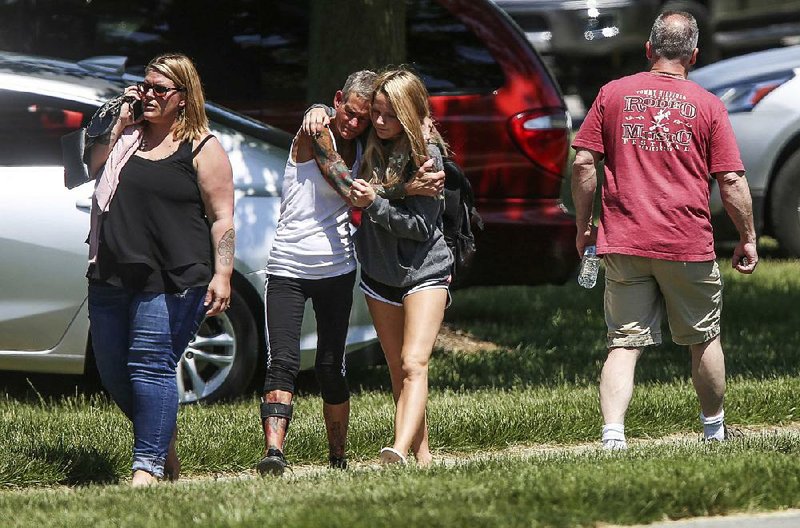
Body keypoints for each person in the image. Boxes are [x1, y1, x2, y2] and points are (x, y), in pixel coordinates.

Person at [571, 12, 758, 450]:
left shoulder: (612, 94)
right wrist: (747, 236)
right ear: (694, 55)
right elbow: (730, 179)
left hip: (624, 241)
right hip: (686, 242)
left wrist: (585, 227)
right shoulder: (708, 104)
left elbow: (582, 162)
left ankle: (613, 436)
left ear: (649, 50)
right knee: (703, 338)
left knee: (624, 343)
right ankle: (714, 430)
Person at [257, 70, 445, 476]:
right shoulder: (318, 128)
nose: (359, 123)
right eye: (355, 113)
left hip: (340, 267)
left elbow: (389, 156)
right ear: (337, 99)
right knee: (283, 361)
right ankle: (274, 453)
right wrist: (407, 190)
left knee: (332, 364)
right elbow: (346, 184)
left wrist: (421, 127)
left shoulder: (368, 141)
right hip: (288, 263)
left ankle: (339, 457)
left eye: (370, 115)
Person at [86, 53, 234, 485]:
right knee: (114, 372)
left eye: (159, 89)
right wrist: (118, 119)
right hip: (111, 269)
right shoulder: (125, 136)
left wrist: (222, 273)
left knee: (150, 366)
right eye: (145, 85)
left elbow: (222, 215)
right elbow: (89, 165)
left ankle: (145, 468)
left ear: (183, 98)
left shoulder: (204, 148)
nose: (149, 94)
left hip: (173, 275)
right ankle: (162, 445)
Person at [332, 68, 452, 466]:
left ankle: (396, 451)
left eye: (390, 115)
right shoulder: (369, 140)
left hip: (425, 271)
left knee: (414, 363)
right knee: (398, 373)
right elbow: (335, 121)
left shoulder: (427, 156)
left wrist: (376, 205)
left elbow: (420, 227)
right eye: (377, 113)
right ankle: (423, 457)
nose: (379, 122)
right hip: (380, 275)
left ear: (411, 114)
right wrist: (315, 110)